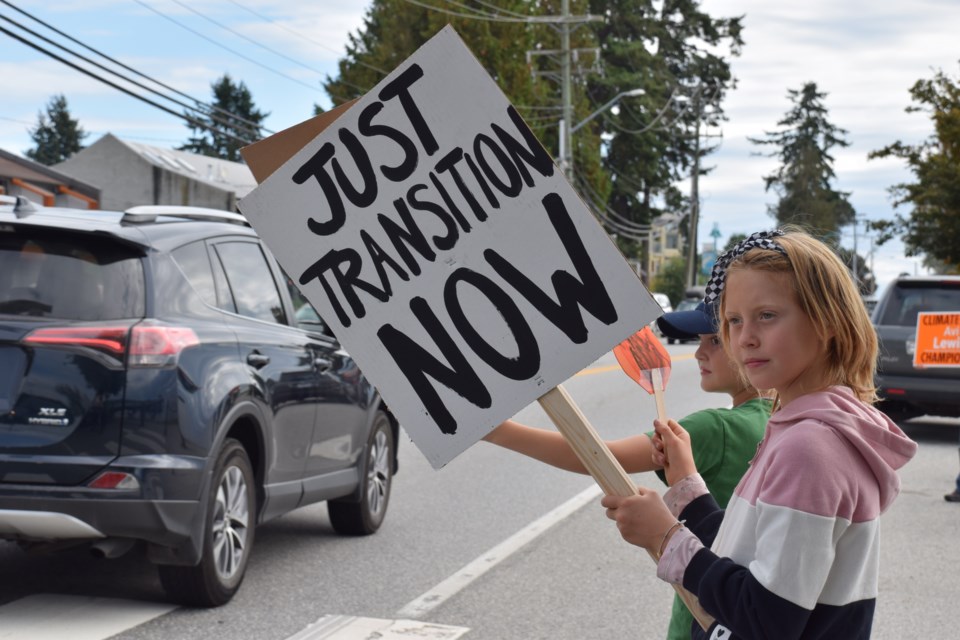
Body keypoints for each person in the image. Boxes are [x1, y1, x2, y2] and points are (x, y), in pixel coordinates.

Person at [601, 229, 919, 640]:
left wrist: (667, 538)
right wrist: (687, 491)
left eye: (766, 315)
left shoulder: (810, 447)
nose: (744, 337)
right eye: (733, 320)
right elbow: (747, 556)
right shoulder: (806, 426)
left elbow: (768, 618)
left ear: (828, 322)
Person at [484, 299, 771, 640]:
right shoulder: (779, 422)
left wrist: (500, 431)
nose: (698, 353)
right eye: (699, 341)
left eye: (714, 341)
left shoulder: (716, 427)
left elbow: (599, 457)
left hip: (703, 609)